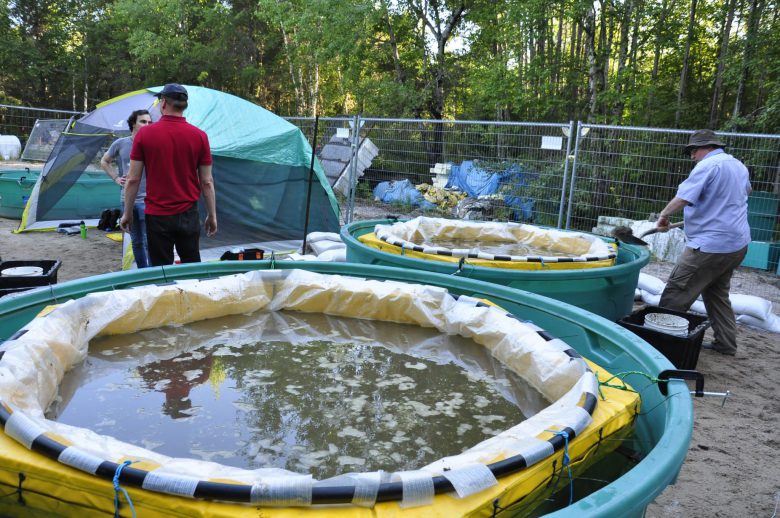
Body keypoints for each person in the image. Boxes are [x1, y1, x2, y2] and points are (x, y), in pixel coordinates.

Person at [655, 129, 752, 356]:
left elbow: (684, 197)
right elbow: (744, 192)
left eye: (693, 151)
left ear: (705, 148)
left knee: (675, 293)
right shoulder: (739, 166)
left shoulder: (708, 166)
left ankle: (659, 345)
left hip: (709, 246)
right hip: (737, 244)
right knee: (716, 294)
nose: (692, 156)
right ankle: (726, 344)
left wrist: (664, 216)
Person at [120, 84, 217, 266]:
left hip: (157, 216)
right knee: (191, 268)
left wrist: (127, 213)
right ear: (183, 105)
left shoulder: (145, 135)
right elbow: (207, 182)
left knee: (161, 271)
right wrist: (212, 215)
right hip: (188, 214)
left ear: (164, 103)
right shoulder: (200, 136)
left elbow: (133, 179)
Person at [100, 109, 152, 268]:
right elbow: (104, 161)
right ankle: (144, 273)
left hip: (150, 201)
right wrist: (116, 177)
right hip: (128, 200)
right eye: (143, 121)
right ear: (132, 124)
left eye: (150, 122)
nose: (147, 125)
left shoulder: (153, 144)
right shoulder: (121, 143)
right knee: (136, 240)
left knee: (151, 240)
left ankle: (154, 273)